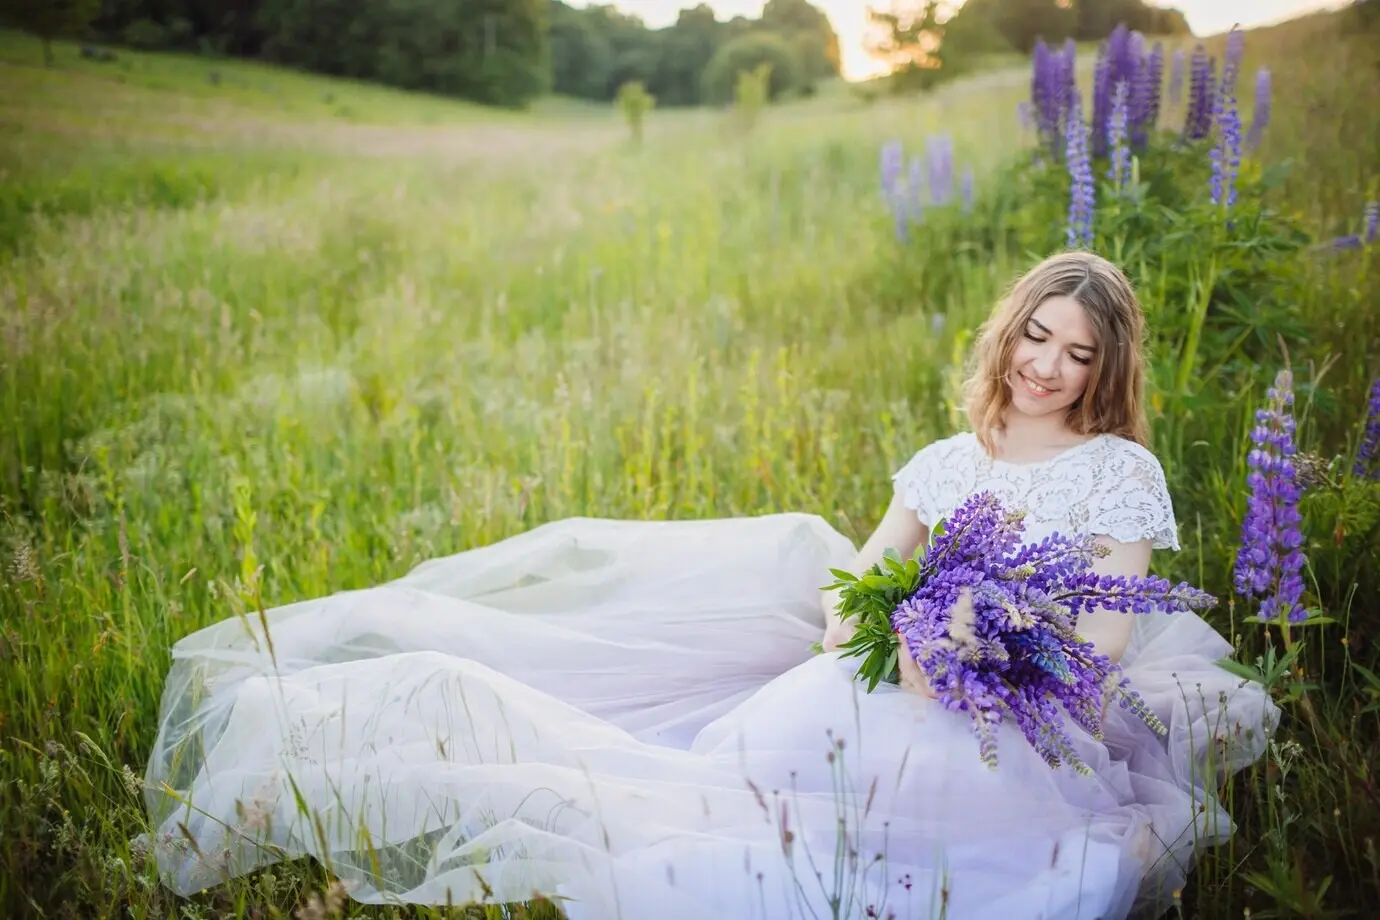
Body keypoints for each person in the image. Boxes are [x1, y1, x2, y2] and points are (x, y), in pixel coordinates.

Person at [140, 251, 1277, 920]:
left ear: (1107, 368)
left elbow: (1108, 645)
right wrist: (883, 635)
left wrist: (986, 656)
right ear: (1009, 335)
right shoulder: (951, 457)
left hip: (1029, 711)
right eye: (1036, 336)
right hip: (900, 672)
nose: (1048, 365)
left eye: (1078, 353)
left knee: (939, 822)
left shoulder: (1119, 472)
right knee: (750, 763)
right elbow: (871, 573)